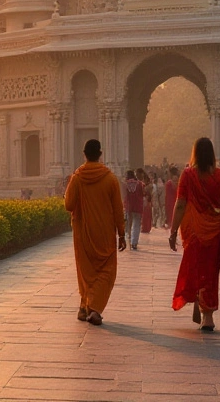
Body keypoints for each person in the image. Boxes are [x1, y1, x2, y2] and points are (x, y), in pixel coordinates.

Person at [169, 137, 220, 331]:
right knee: (211, 272)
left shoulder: (188, 175)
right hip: (215, 231)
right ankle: (208, 315)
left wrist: (173, 230)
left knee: (195, 269)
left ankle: (198, 300)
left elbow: (180, 204)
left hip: (193, 231)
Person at [64, 139, 125, 326]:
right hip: (105, 234)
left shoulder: (77, 178)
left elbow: (69, 205)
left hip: (83, 233)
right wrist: (122, 234)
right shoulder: (110, 179)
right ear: (100, 154)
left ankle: (85, 306)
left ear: (84, 154)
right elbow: (117, 209)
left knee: (85, 271)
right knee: (106, 271)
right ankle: (94, 309)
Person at [122, 170, 145, 251]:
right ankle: (134, 242)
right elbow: (143, 194)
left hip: (129, 206)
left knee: (129, 223)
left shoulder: (125, 184)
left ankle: (129, 238)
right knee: (137, 224)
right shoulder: (140, 184)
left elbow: (124, 195)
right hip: (138, 206)